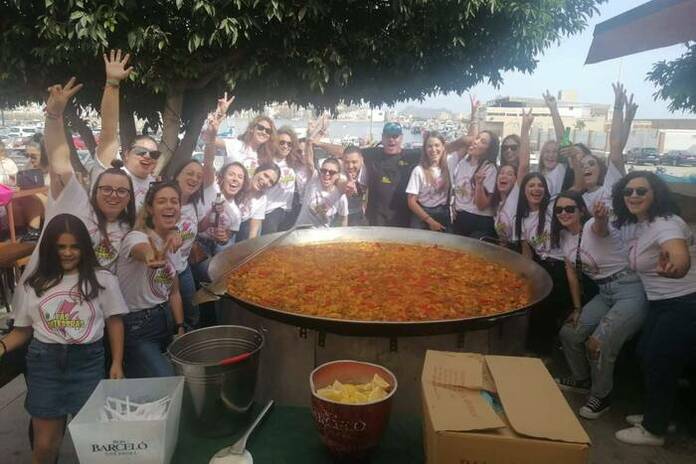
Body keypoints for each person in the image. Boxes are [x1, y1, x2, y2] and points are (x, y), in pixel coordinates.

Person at [0, 214, 127, 464]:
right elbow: (23, 330)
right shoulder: (33, 283)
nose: (68, 253)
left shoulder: (103, 280)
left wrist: (117, 362)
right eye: (60, 247)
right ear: (49, 248)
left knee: (93, 441)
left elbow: (114, 322)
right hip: (44, 364)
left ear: (84, 247)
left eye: (74, 246)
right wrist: (2, 346)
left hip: (88, 364)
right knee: (45, 445)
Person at [612, 171, 696, 446]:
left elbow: (679, 255)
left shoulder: (666, 224)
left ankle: (654, 429)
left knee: (659, 361)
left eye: (641, 191)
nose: (633, 196)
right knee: (647, 354)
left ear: (655, 194)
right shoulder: (641, 224)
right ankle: (659, 414)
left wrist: (677, 268)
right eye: (628, 192)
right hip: (661, 303)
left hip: (684, 302)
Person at [551, 191, 648, 420]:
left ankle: (601, 396)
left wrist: (601, 216)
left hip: (630, 290)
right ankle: (581, 379)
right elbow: (572, 274)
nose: (564, 213)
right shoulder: (566, 237)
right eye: (559, 210)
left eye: (570, 208)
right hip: (605, 293)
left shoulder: (593, 225)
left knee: (598, 344)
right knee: (569, 333)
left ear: (581, 211)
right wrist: (576, 309)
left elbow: (601, 227)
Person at [42, 76, 136, 272]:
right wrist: (53, 115)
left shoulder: (129, 225)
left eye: (121, 191)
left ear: (129, 198)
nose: (113, 195)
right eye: (107, 189)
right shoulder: (77, 206)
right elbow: (60, 162)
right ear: (95, 189)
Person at [116, 182, 185, 378]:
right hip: (137, 326)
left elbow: (174, 292)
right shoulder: (136, 237)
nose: (170, 206)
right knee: (167, 380)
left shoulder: (173, 243)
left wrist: (179, 327)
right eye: (162, 201)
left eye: (175, 201)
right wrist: (150, 256)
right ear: (149, 208)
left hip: (165, 319)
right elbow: (141, 249)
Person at [94, 50, 158, 212]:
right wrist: (112, 83)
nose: (147, 157)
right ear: (126, 154)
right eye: (141, 152)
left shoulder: (156, 186)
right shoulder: (112, 176)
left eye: (154, 154)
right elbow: (108, 131)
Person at [515, 173, 570, 354]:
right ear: (523, 191)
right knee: (532, 305)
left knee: (547, 310)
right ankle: (533, 350)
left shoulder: (553, 208)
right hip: (541, 266)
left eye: (540, 185)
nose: (536, 189)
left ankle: (545, 353)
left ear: (546, 190)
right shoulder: (521, 218)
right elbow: (527, 251)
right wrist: (521, 277)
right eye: (531, 185)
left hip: (562, 265)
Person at [581, 83, 636, 213]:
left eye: (591, 164)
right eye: (582, 166)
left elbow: (616, 150)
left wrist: (619, 109)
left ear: (600, 169)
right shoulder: (579, 198)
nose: (586, 167)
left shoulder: (609, 186)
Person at [170, 159, 204, 329]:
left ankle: (190, 348)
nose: (195, 178)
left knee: (192, 312)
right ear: (177, 175)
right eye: (189, 173)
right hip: (162, 272)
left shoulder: (194, 204)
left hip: (183, 268)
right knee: (171, 317)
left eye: (199, 176)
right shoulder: (163, 201)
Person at [492, 110, 533, 244]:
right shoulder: (499, 200)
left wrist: (525, 128)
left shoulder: (518, 189)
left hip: (519, 246)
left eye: (514, 147)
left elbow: (524, 166)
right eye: (505, 147)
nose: (509, 150)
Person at [451, 130, 499, 238]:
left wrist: (479, 184)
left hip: (479, 221)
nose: (476, 142)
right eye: (477, 138)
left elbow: (481, 205)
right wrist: (453, 205)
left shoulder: (489, 169)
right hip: (459, 218)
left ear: (489, 149)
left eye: (483, 141)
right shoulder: (463, 163)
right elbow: (458, 189)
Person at [406, 132, 451, 231]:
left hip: (442, 213)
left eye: (437, 145)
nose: (433, 149)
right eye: (429, 146)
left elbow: (467, 141)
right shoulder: (418, 170)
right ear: (425, 150)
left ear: (443, 147)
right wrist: (430, 221)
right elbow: (411, 201)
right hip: (422, 214)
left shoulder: (450, 165)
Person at [216, 103, 276, 176]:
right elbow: (211, 140)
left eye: (268, 131)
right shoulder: (236, 145)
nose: (264, 132)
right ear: (251, 129)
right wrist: (219, 114)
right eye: (260, 128)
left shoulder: (265, 158)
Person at [262, 126, 301, 234]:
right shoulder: (267, 162)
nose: (285, 146)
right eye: (282, 142)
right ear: (275, 143)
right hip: (270, 211)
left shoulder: (292, 163)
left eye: (289, 144)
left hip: (288, 211)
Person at [295, 157, 348, 228]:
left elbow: (343, 219)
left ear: (337, 176)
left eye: (332, 172)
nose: (327, 174)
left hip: (322, 235)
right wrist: (309, 145)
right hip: (301, 230)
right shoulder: (313, 180)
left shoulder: (341, 196)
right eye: (323, 170)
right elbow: (309, 164)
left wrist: (343, 237)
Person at [235, 163, 281, 241]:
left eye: (271, 182)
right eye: (265, 175)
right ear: (257, 171)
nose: (266, 182)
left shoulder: (262, 199)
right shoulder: (239, 183)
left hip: (240, 227)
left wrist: (250, 246)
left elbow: (254, 227)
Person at [341, 146, 368, 226]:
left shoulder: (368, 173)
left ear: (362, 160)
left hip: (359, 215)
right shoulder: (338, 172)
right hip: (340, 214)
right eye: (346, 162)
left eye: (354, 162)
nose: (350, 166)